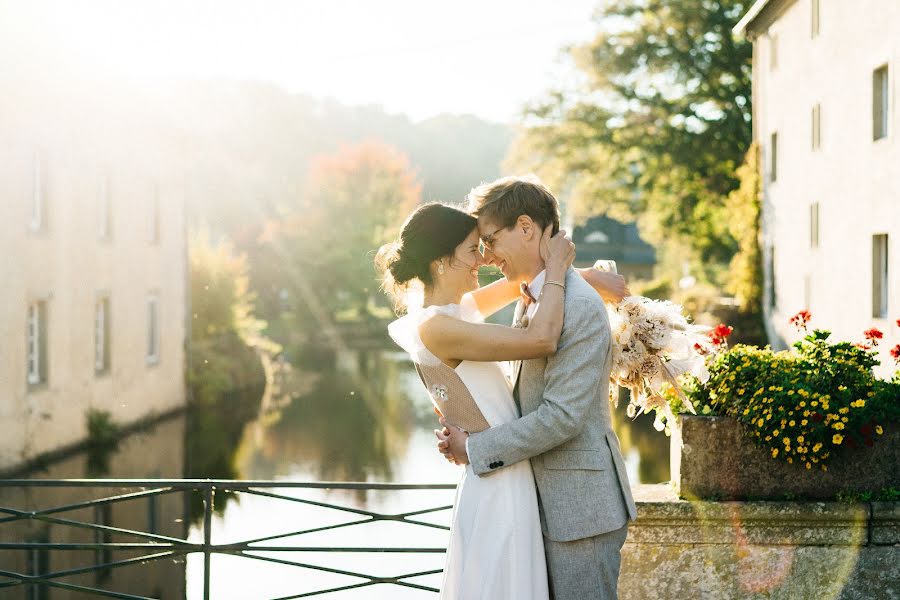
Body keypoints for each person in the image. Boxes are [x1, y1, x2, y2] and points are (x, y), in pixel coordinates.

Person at [375, 198, 630, 599]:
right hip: (500, 482)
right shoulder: (437, 327)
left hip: (511, 473)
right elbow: (540, 339)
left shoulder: (454, 309)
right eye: (472, 250)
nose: (484, 260)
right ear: (441, 262)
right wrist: (560, 268)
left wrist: (584, 276)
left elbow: (519, 283)